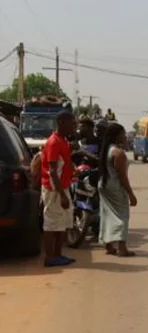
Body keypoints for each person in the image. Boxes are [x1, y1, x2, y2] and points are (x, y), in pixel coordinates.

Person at [41, 111, 77, 267]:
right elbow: (53, 171)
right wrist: (61, 194)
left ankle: (58, 254)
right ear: (62, 122)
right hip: (53, 190)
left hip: (63, 187)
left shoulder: (64, 141)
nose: (74, 126)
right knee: (51, 223)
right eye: (72, 123)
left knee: (62, 222)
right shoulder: (53, 142)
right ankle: (50, 257)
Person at [98, 122, 138, 257]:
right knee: (122, 216)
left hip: (104, 185)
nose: (125, 137)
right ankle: (122, 247)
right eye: (123, 134)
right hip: (115, 187)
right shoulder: (118, 153)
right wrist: (131, 194)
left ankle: (108, 245)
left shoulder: (106, 150)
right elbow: (122, 177)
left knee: (107, 214)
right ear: (116, 136)